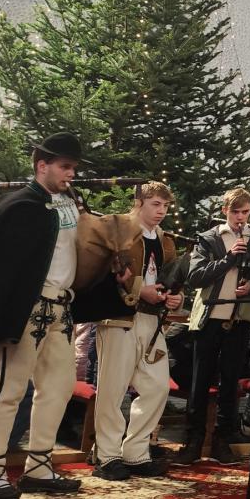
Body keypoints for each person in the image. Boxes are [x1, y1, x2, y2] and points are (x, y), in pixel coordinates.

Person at [0, 132, 85, 499]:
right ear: (42, 165)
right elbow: (1, 272)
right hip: (25, 310)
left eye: (74, 168)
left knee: (59, 387)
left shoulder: (71, 206)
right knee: (9, 390)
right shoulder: (19, 207)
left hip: (61, 309)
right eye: (65, 167)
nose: (71, 174)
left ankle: (38, 468)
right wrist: (3, 320)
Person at [82, 182, 184, 481]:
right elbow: (104, 276)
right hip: (119, 319)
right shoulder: (119, 232)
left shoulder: (166, 240)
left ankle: (135, 452)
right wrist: (140, 291)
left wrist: (175, 297)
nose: (161, 211)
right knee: (113, 390)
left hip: (152, 321)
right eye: (155, 204)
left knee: (157, 387)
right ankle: (107, 455)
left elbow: (172, 279)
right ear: (139, 202)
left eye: (165, 205)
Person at [175, 187, 250, 466]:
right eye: (235, 212)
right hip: (210, 317)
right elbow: (196, 277)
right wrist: (229, 258)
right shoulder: (209, 238)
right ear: (224, 211)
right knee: (200, 381)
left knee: (230, 382)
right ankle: (193, 441)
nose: (240, 217)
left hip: (240, 320)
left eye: (245, 212)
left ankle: (222, 440)